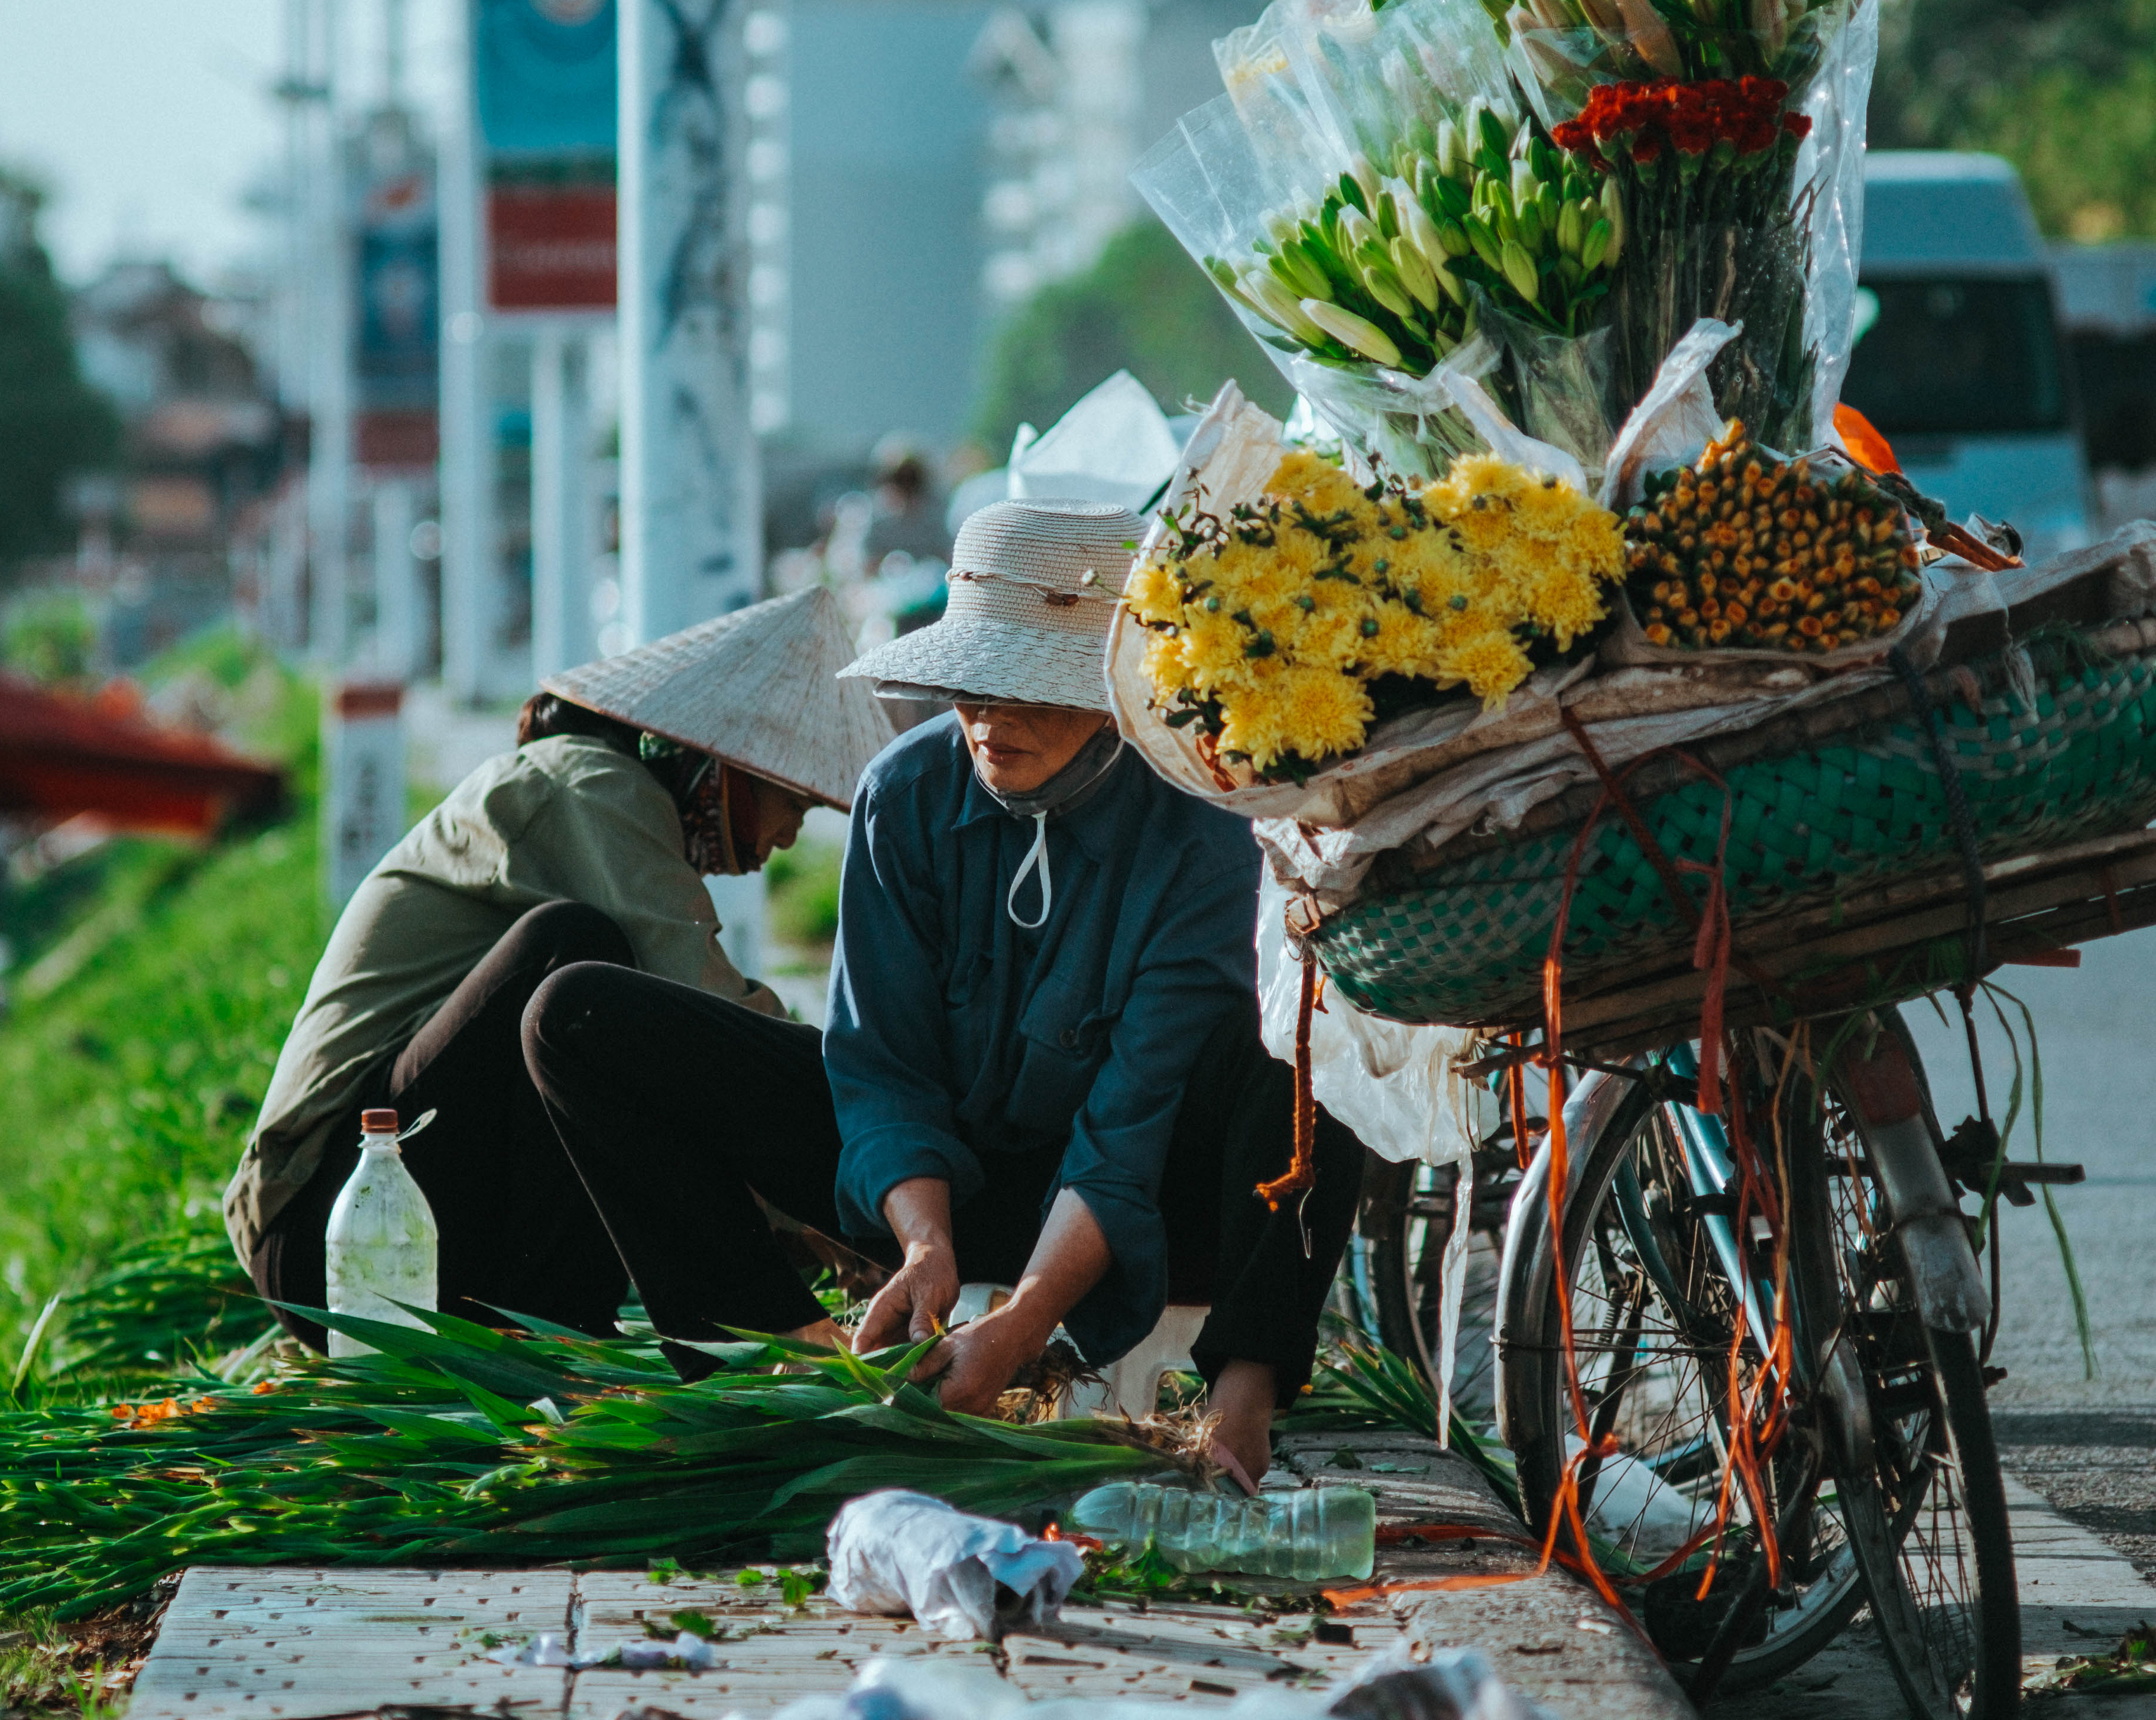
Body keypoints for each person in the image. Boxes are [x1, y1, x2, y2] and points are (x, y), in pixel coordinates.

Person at [522, 502, 1364, 1489]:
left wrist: (1022, 1323)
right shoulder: (906, 791)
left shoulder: (1198, 830)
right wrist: (924, 1243)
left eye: (1030, 691)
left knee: (1314, 1031)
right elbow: (882, 1064)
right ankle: (798, 1360)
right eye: (972, 684)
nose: (991, 720)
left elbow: (1128, 1122)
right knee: (578, 1015)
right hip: (948, 1177)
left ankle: (1242, 1397)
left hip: (1124, 1195)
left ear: (1116, 698)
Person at [224, 587, 896, 1346]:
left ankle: (567, 1335)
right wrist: (874, 1181)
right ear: (728, 766)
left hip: (418, 1236)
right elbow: (722, 1023)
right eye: (793, 808)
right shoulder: (592, 787)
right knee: (575, 961)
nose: (784, 840)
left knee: (605, 1027)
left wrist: (812, 1228)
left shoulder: (600, 797)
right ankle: (739, 1331)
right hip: (338, 1238)